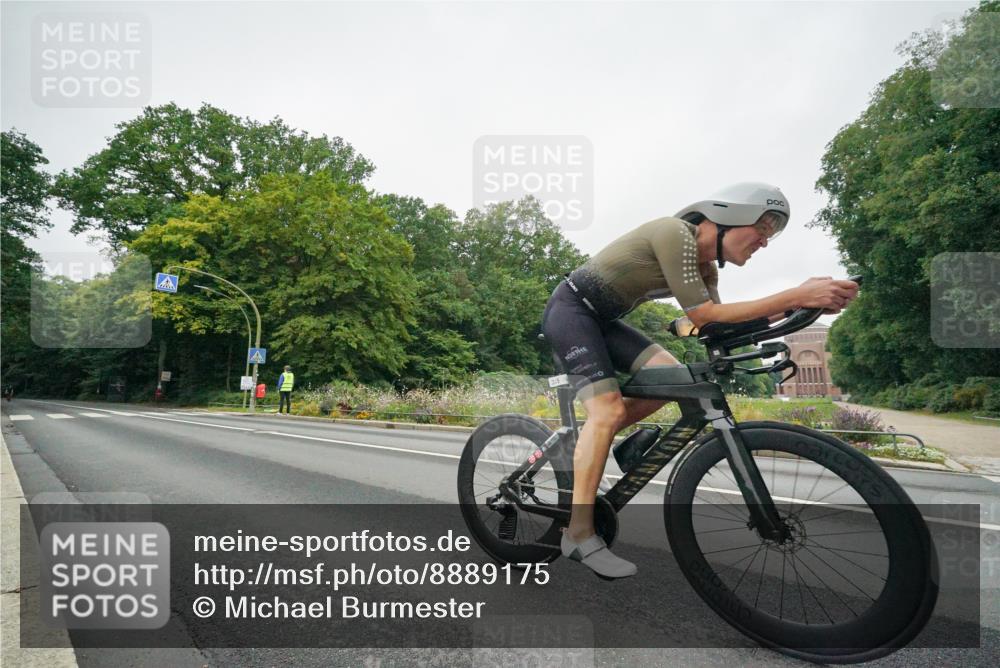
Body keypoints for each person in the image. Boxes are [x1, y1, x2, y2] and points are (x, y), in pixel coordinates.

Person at [540, 182, 859, 579]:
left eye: (771, 235)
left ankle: (594, 442)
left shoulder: (705, 268)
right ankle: (578, 532)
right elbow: (707, 315)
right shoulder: (676, 234)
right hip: (571, 310)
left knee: (666, 377)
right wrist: (795, 293)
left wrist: (799, 305)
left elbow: (713, 325)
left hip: (604, 321)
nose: (765, 240)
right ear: (725, 218)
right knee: (606, 411)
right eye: (762, 227)